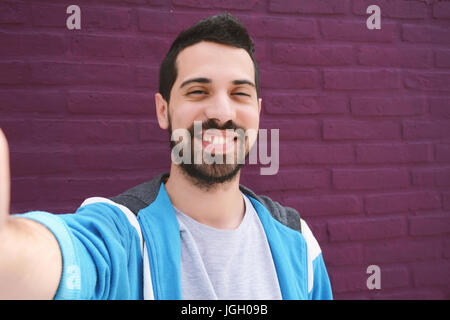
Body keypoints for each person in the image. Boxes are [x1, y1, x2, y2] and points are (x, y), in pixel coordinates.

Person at [0, 13, 332, 300]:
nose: (220, 111)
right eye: (198, 91)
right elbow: (27, 267)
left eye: (239, 93)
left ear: (258, 112)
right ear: (163, 110)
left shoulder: (298, 241)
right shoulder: (123, 235)